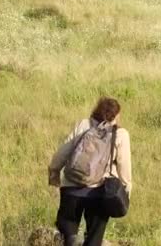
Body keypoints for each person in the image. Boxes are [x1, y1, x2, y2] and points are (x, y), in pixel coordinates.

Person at [48, 97, 132, 246]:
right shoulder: (120, 134)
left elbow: (62, 153)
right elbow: (124, 167)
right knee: (94, 238)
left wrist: (54, 173)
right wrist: (126, 189)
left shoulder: (83, 125)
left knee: (67, 233)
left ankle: (72, 239)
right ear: (116, 115)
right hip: (99, 192)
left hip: (71, 189)